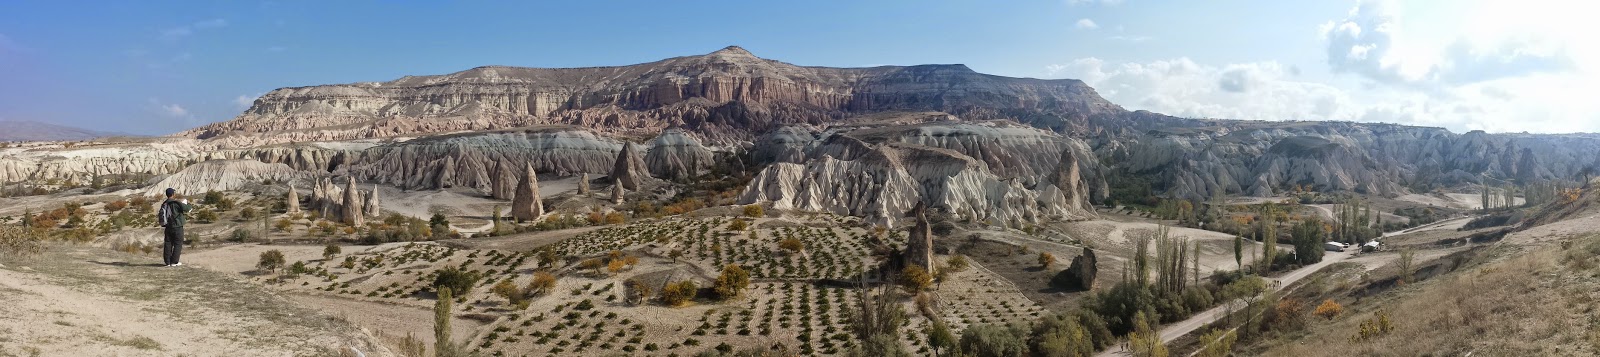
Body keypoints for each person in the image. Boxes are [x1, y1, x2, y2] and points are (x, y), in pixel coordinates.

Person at [157, 188, 192, 267]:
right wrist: (188, 203)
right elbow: (188, 209)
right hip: (177, 226)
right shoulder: (176, 203)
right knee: (178, 244)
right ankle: (174, 262)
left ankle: (167, 262)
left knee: (168, 243)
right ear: (173, 194)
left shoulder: (164, 204)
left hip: (168, 227)